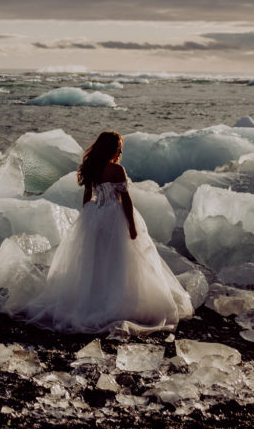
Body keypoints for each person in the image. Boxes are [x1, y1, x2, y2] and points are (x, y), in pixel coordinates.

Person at [19, 130, 193, 335]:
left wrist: (86, 218)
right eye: (118, 148)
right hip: (115, 217)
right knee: (119, 259)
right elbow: (125, 199)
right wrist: (132, 225)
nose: (120, 153)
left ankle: (94, 297)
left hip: (96, 215)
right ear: (112, 149)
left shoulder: (91, 168)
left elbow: (87, 196)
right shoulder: (117, 170)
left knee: (97, 260)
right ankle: (117, 300)